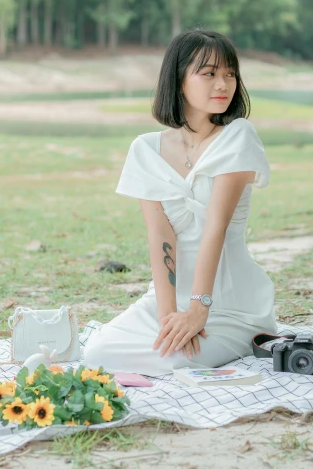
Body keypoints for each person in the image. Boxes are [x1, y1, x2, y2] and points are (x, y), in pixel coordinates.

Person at [83, 28, 277, 376]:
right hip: (168, 298)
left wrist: (198, 308)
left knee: (176, 361)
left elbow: (215, 228)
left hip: (231, 304)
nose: (223, 84)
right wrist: (167, 317)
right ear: (179, 80)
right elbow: (161, 236)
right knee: (98, 353)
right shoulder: (145, 150)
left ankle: (223, 330)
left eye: (230, 74)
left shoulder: (238, 137)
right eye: (209, 73)